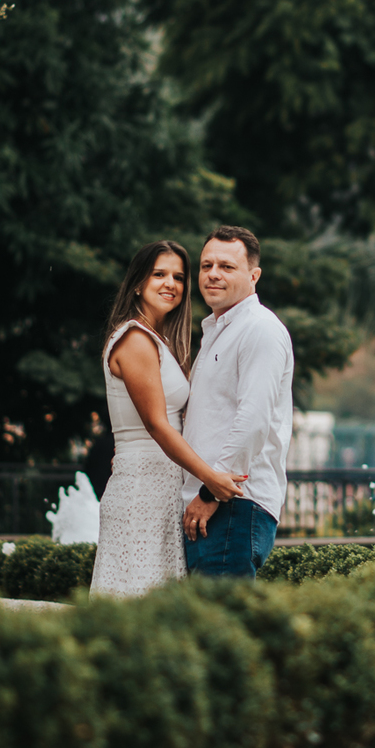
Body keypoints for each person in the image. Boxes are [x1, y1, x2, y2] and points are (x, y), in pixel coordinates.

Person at [91, 240, 247, 597]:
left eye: (178, 277)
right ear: (137, 283)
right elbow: (156, 424)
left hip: (162, 486)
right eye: (159, 274)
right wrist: (211, 478)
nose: (170, 284)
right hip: (142, 488)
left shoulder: (158, 340)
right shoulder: (135, 339)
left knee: (158, 604)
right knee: (136, 600)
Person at [181, 225, 294, 579]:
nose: (213, 274)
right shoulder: (217, 332)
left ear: (253, 276)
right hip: (215, 503)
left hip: (232, 504)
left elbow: (253, 420)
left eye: (227, 267)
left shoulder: (260, 329)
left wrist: (210, 494)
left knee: (218, 613)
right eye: (206, 265)